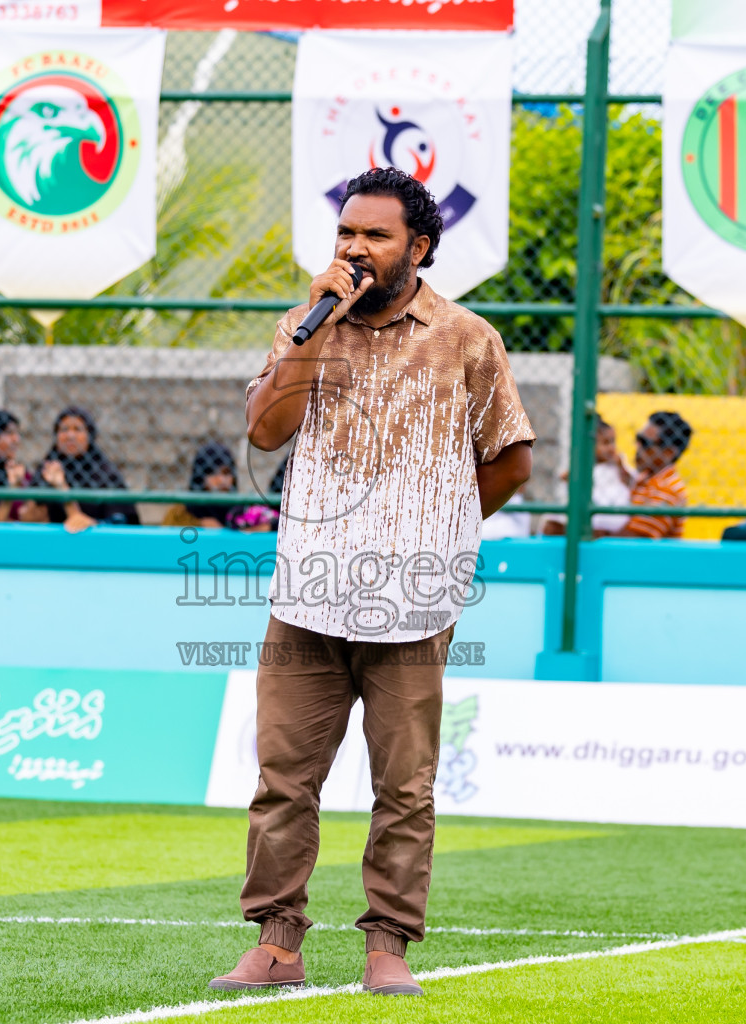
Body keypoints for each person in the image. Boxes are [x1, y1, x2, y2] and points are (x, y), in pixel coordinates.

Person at [210, 167, 533, 998]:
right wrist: (311, 334)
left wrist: (441, 532)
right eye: (346, 233)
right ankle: (277, 943)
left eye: (375, 235)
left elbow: (511, 459)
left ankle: (388, 945)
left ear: (418, 248)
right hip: (307, 602)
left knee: (405, 786)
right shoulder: (304, 325)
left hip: (414, 608)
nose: (354, 247)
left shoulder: (468, 339)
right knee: (283, 779)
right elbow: (265, 429)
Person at [27, 406, 139, 532]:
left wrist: (63, 489)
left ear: (90, 435)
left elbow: (120, 521)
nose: (70, 436)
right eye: (64, 429)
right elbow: (28, 518)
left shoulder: (105, 473)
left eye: (78, 429)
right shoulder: (48, 469)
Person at [608, 411, 692, 540]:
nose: (638, 447)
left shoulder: (667, 489)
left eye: (645, 442)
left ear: (668, 452)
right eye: (638, 439)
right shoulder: (644, 479)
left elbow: (634, 538)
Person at [540, 419, 632, 537]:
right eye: (605, 443)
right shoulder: (586, 466)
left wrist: (621, 466)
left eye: (613, 442)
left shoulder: (616, 465)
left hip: (612, 512)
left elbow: (629, 481)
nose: (611, 448)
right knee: (551, 520)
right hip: (590, 509)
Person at [164, 441, 276, 532]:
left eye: (226, 473)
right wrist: (198, 525)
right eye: (213, 473)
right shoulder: (181, 513)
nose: (222, 480)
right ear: (200, 477)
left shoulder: (243, 512)